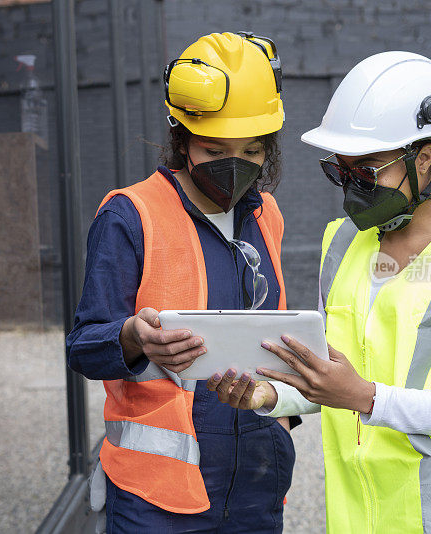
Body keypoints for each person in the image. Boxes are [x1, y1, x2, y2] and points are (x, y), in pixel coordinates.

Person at [209, 51, 431, 532]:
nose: (351, 186)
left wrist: (366, 397)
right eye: (342, 170)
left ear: (424, 158)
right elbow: (334, 383)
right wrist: (267, 396)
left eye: (366, 171)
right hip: (360, 516)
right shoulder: (342, 244)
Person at [67, 32, 297, 533]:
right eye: (215, 148)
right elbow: (84, 347)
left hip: (257, 483)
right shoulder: (131, 215)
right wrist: (130, 337)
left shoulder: (267, 215)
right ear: (181, 137)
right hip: (157, 499)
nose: (235, 165)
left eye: (253, 151)